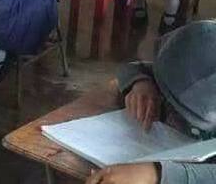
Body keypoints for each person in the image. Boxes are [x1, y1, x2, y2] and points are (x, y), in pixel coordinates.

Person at [87, 20, 216, 184]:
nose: (171, 107)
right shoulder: (200, 46)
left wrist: (156, 174)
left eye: (183, 110)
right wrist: (141, 83)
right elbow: (134, 67)